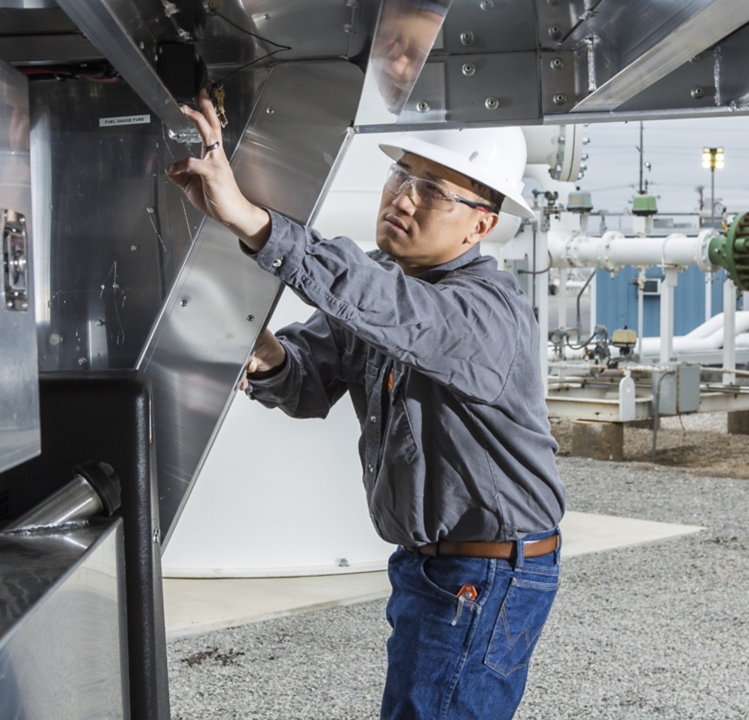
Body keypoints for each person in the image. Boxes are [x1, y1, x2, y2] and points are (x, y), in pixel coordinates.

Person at [165, 91, 564, 720]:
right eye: (401, 173)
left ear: (480, 224)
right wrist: (261, 347)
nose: (403, 197)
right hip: (431, 569)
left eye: (433, 189)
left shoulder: (485, 311)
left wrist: (249, 217)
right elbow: (307, 382)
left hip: (484, 578)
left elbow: (388, 308)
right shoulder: (389, 280)